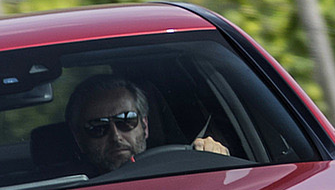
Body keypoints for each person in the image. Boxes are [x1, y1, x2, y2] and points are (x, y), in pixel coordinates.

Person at [65, 74, 228, 174]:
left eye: (126, 121)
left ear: (145, 126)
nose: (115, 136)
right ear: (79, 139)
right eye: (98, 127)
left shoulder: (179, 173)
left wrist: (212, 156)